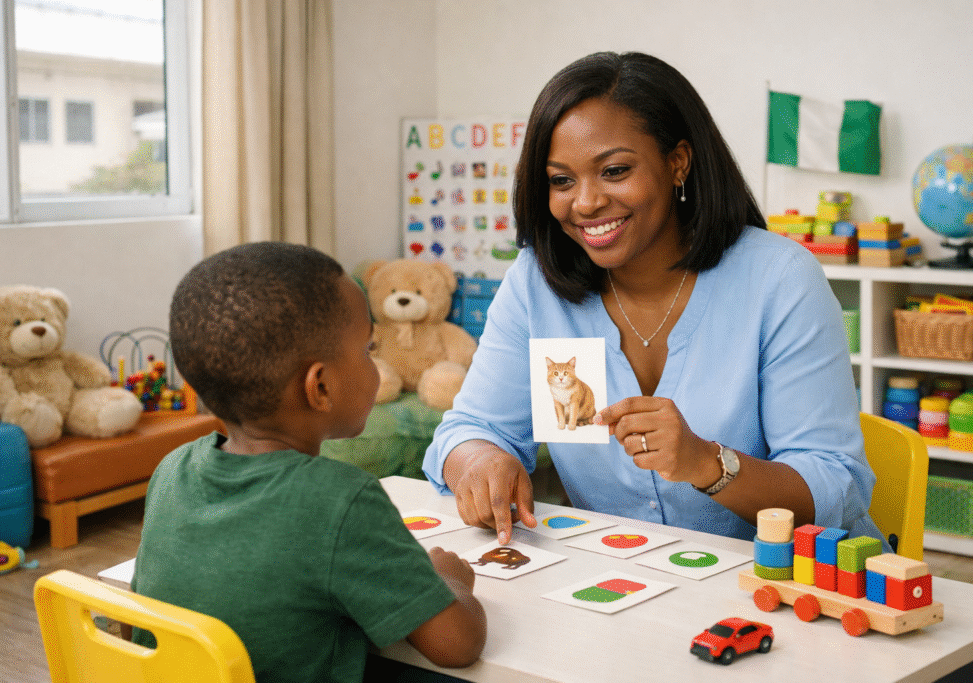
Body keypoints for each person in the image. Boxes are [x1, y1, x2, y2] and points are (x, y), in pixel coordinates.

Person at [423, 51, 886, 550]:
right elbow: (471, 428)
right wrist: (481, 458)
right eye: (561, 180)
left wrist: (707, 464)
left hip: (792, 584)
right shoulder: (536, 282)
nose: (585, 202)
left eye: (615, 171)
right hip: (632, 582)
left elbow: (836, 486)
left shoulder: (779, 278)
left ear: (677, 163)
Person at [132, 242, 486, 682]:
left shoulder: (173, 469)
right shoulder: (340, 499)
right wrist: (449, 581)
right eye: (368, 350)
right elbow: (458, 644)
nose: (375, 364)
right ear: (319, 387)